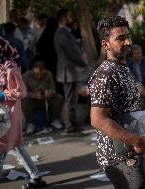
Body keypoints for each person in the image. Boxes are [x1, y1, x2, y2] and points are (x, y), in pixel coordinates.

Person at [88, 16, 145, 189]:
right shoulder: (105, 75)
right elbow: (98, 119)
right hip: (117, 157)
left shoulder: (123, 68)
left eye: (128, 36)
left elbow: (132, 113)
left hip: (131, 151)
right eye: (120, 38)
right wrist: (136, 141)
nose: (128, 42)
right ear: (105, 44)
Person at [0, 36, 46, 189]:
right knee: (17, 145)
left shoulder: (11, 68)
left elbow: (21, 92)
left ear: (0, 50)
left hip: (7, 116)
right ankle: (36, 177)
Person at [54, 8, 88, 136]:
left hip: (69, 71)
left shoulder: (63, 32)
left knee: (72, 100)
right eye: (68, 17)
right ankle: (70, 127)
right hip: (68, 71)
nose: (70, 19)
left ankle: (73, 126)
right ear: (63, 18)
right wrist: (84, 63)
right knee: (70, 100)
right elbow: (74, 53)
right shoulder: (62, 33)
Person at [22, 60, 64, 135]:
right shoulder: (26, 76)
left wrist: (50, 92)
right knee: (25, 101)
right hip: (33, 100)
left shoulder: (49, 74)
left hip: (46, 98)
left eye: (41, 74)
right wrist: (35, 95)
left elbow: (53, 88)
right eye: (37, 74)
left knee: (59, 98)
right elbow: (24, 93)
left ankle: (55, 120)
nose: (39, 76)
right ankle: (30, 124)